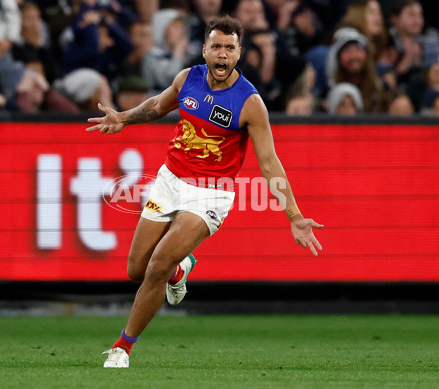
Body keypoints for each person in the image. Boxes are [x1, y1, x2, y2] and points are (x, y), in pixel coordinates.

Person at [85, 15, 323, 368]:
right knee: (137, 269)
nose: (222, 54)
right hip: (169, 181)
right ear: (205, 50)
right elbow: (156, 106)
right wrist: (124, 117)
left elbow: (270, 163)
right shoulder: (188, 78)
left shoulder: (250, 103)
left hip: (210, 194)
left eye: (230, 48)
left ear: (239, 53)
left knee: (157, 264)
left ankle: (122, 347)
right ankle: (181, 270)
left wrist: (294, 215)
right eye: (216, 47)